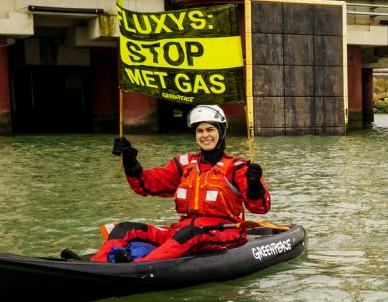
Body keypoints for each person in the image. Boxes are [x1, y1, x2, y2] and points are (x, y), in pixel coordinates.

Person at [92, 105, 271, 263]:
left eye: (210, 129)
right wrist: (130, 161)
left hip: (225, 234)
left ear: (221, 131)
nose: (205, 135)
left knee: (190, 234)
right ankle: (96, 264)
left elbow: (260, 208)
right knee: (125, 229)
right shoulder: (184, 164)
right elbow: (146, 184)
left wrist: (255, 186)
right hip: (183, 231)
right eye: (199, 131)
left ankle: (139, 266)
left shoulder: (238, 168)